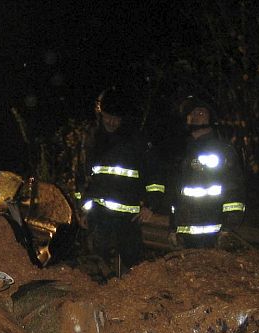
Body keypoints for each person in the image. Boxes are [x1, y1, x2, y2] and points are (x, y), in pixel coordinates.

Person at [76, 86, 156, 276]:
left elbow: (154, 175)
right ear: (100, 114)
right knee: (97, 267)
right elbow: (84, 179)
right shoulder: (93, 140)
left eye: (116, 117)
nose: (111, 122)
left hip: (127, 218)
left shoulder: (136, 141)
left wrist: (151, 204)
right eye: (107, 116)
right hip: (99, 217)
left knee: (132, 269)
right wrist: (83, 210)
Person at [169, 96, 246, 247]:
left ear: (211, 117)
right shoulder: (183, 151)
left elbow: (234, 189)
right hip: (185, 235)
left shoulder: (222, 150)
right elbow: (176, 193)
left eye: (201, 113)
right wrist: (173, 227)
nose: (196, 116)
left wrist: (228, 228)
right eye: (193, 113)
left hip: (213, 235)